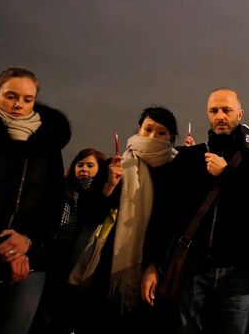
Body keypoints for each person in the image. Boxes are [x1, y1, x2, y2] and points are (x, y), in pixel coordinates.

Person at [142, 88, 249, 333]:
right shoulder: (187, 160)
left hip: (239, 273)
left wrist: (227, 176)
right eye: (214, 110)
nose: (220, 116)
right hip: (192, 270)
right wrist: (151, 263)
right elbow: (164, 215)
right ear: (207, 114)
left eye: (226, 110)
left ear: (240, 114)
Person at [0, 67, 71, 334]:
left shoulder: (48, 142)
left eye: (27, 99)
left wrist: (28, 239)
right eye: (11, 96)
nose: (19, 104)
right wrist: (2, 246)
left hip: (30, 261)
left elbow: (54, 201)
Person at [74, 106, 179, 334]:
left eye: (161, 133)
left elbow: (173, 222)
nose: (152, 137)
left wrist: (156, 264)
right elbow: (89, 215)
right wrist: (109, 185)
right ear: (138, 129)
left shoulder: (176, 169)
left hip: (159, 264)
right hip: (115, 264)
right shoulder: (118, 164)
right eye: (148, 129)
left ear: (171, 137)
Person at [37, 148, 107, 334]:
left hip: (80, 254)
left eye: (90, 165)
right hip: (54, 249)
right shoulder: (63, 188)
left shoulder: (101, 193)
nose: (83, 169)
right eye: (80, 164)